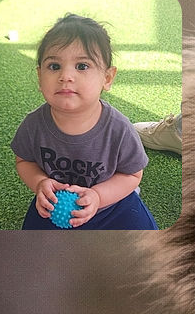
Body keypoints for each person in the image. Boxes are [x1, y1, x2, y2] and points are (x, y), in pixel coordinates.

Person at [12, 14, 158, 230]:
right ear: (39, 76)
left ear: (107, 78)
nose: (66, 76)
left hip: (112, 205)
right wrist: (40, 182)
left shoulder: (119, 129)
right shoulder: (33, 125)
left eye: (81, 66)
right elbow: (24, 161)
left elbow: (132, 174)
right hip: (54, 205)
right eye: (54, 66)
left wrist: (99, 196)